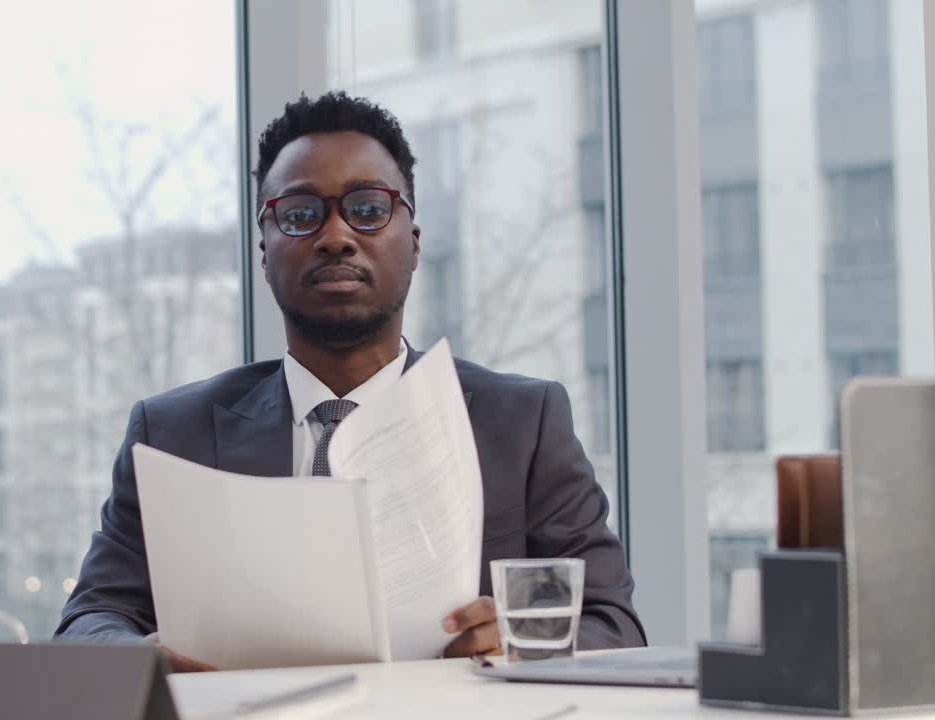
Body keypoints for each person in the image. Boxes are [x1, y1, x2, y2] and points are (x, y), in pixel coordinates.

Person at [56, 91, 645, 671]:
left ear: (413, 244)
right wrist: (141, 658)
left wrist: (515, 640)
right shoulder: (171, 433)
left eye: (367, 208)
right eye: (301, 214)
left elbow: (612, 622)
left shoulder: (523, 422)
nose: (336, 236)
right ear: (265, 251)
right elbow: (89, 620)